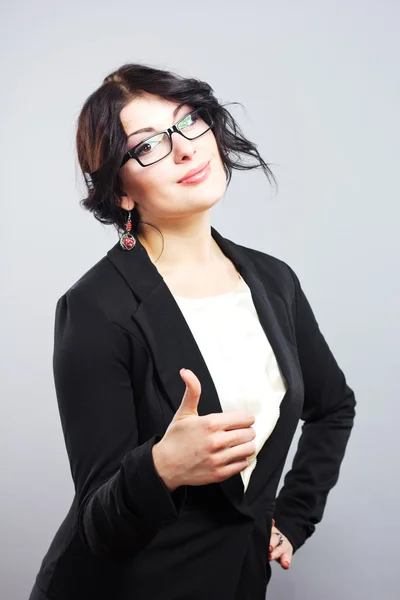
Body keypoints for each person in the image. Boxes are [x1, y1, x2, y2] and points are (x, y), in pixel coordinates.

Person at [28, 63, 356, 600]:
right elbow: (99, 525)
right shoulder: (95, 309)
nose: (184, 149)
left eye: (188, 123)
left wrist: (294, 516)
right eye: (147, 146)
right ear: (121, 191)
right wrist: (161, 467)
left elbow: (333, 406)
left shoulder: (274, 281)